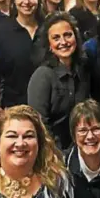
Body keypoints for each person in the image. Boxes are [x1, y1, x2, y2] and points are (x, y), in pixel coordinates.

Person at [28, 12, 90, 150]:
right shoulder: (42, 76)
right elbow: (39, 124)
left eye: (68, 35)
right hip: (52, 152)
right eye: (56, 38)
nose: (63, 42)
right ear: (49, 45)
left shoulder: (82, 70)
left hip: (80, 148)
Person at [0, 0, 45, 108]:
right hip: (14, 109)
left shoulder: (49, 29)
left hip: (48, 108)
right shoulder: (0, 33)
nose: (26, 1)